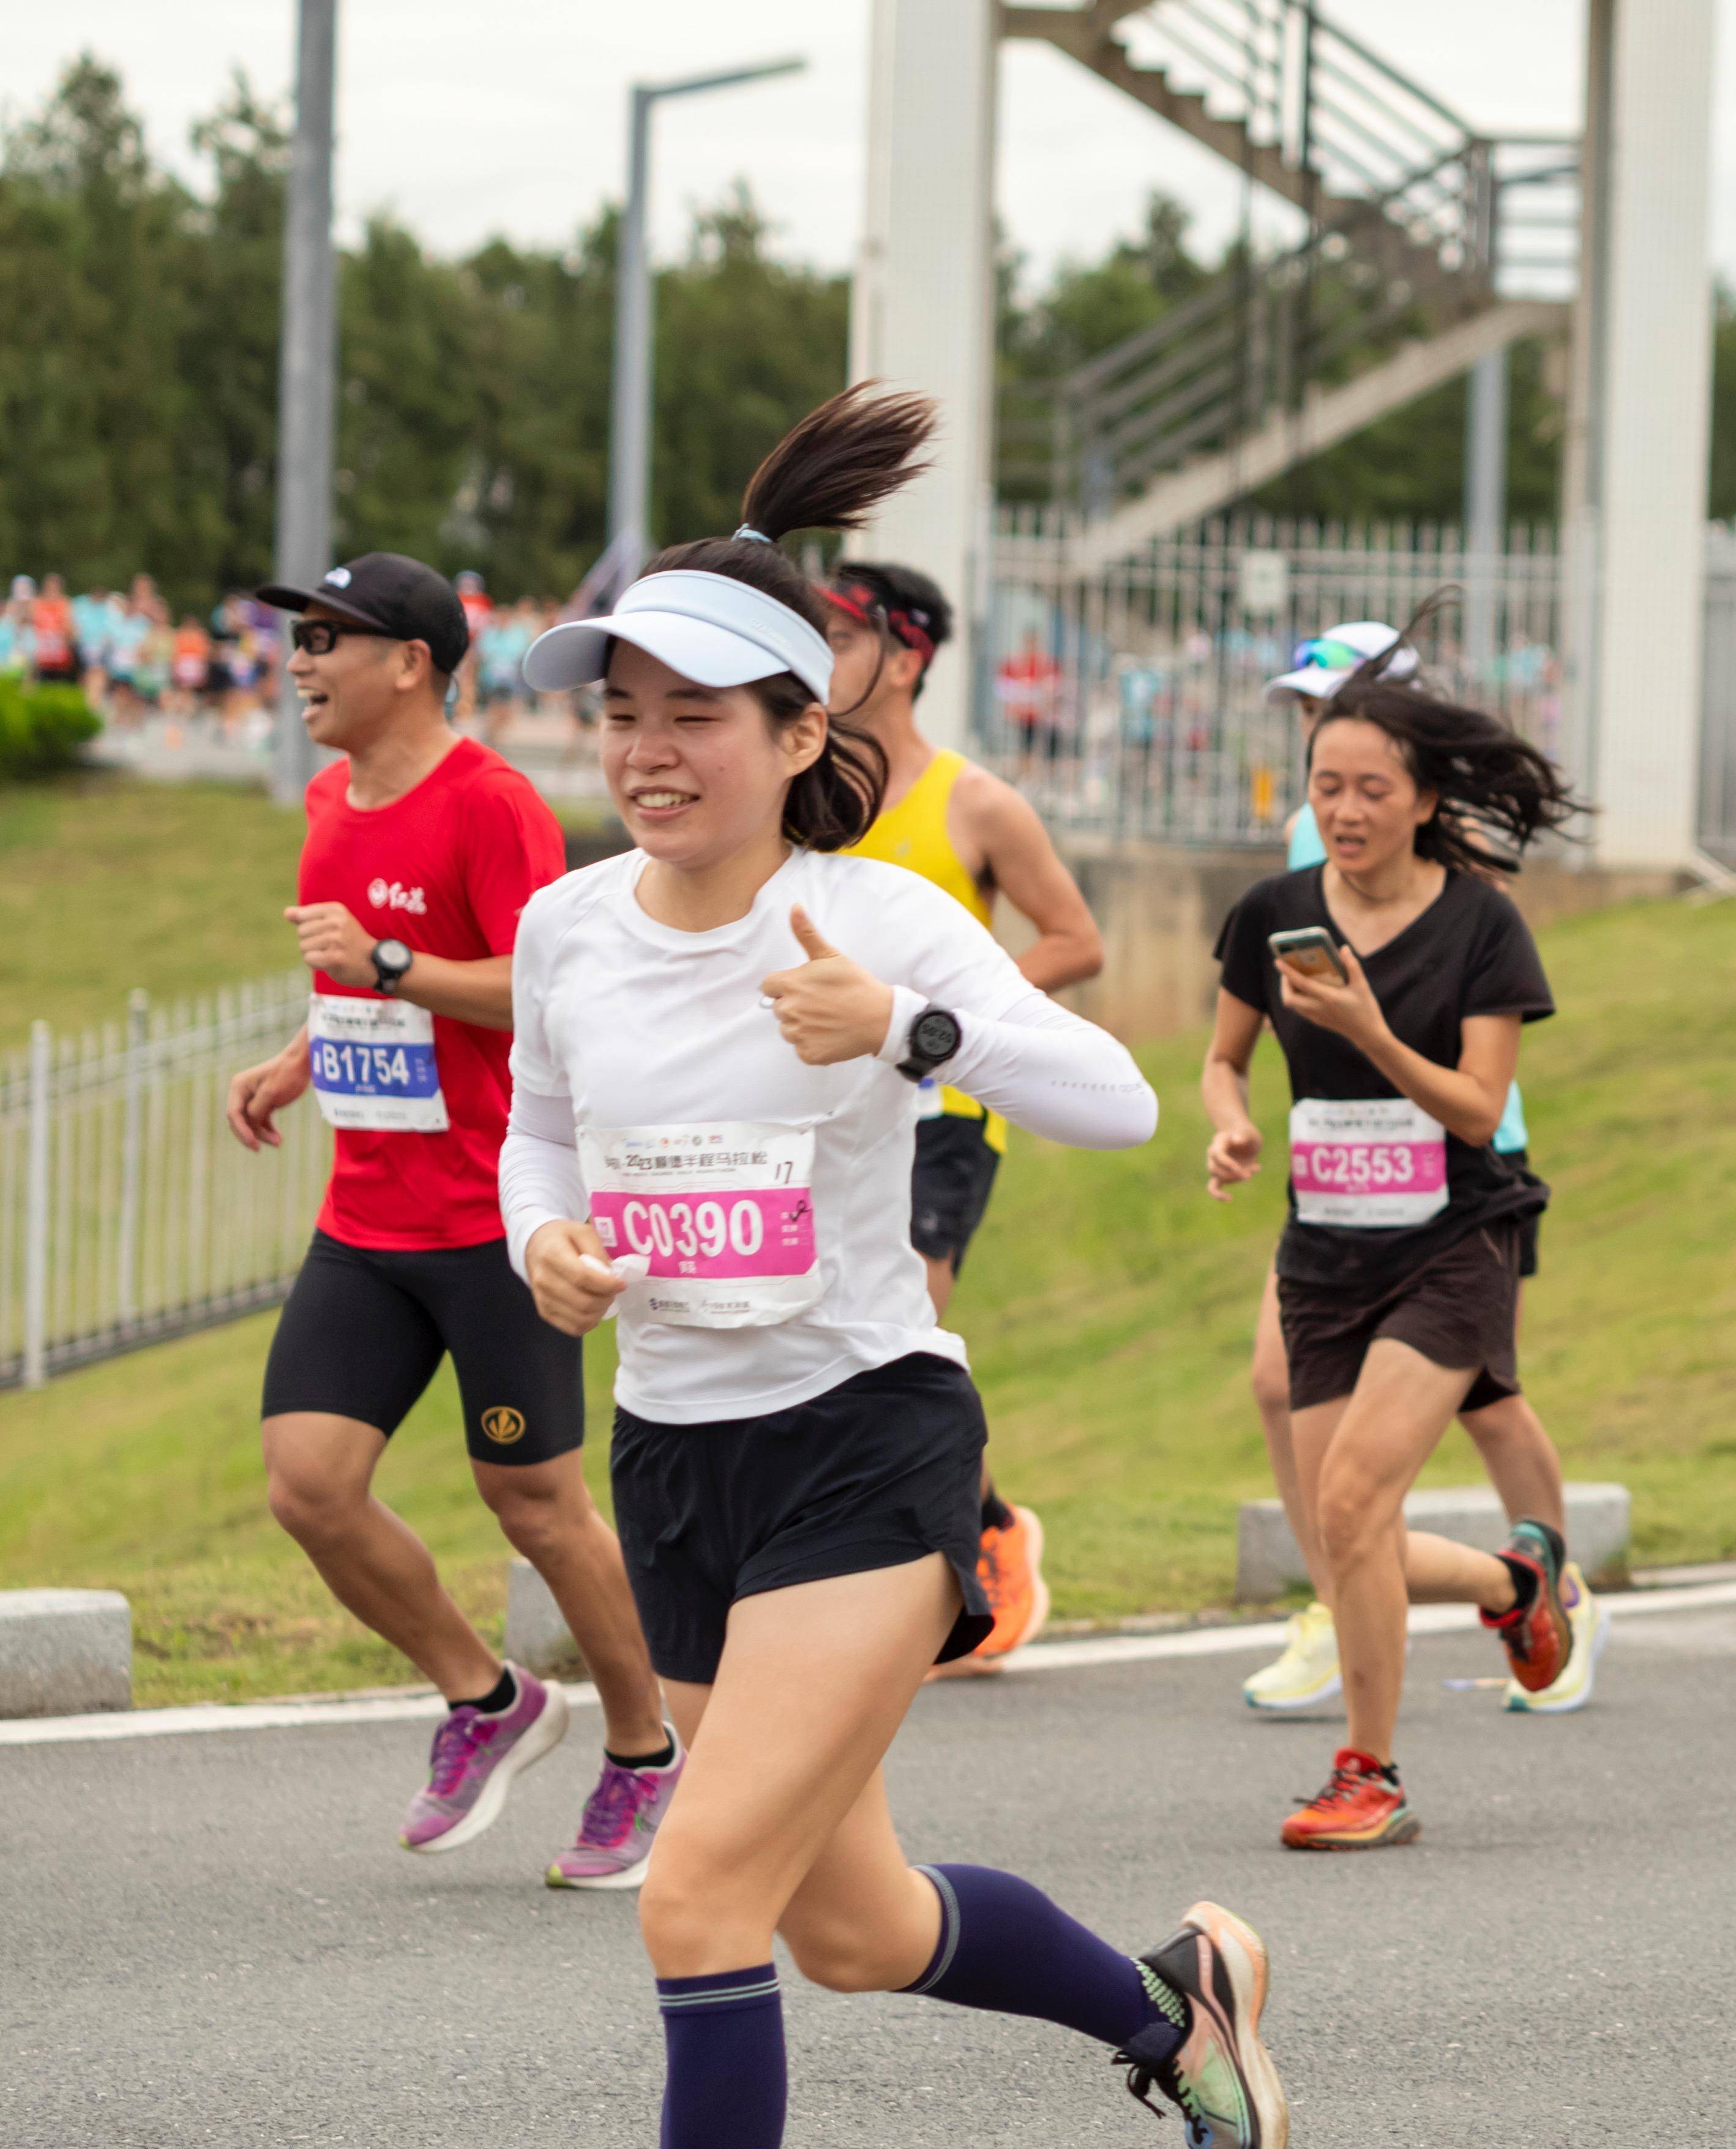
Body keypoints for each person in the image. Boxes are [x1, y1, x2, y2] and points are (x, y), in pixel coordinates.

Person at [504, 386, 1279, 2148]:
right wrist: (539, 1235)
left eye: (692, 714)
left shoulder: (879, 918)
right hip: (679, 1457)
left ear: (795, 732)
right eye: (620, 712)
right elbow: (536, 1134)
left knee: (694, 1899)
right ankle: (1177, 2006)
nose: (645, 749)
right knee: (848, 1926)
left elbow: (1115, 1098)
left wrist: (911, 1028)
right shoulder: (568, 925)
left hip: (865, 1437)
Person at [219, 552, 672, 1886]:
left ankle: (648, 1756)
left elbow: (546, 998)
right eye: (294, 639)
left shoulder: (493, 805)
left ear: (408, 661)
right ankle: (489, 1703)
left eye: (324, 640)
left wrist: (395, 964)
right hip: (368, 1213)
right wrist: (302, 1058)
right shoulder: (324, 795)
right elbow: (356, 984)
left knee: (533, 1501)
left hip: (496, 1214)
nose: (299, 662)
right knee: (309, 1485)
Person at [1202, 619, 1590, 1847]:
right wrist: (1230, 1125)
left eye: (1374, 789)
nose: (1348, 809)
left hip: (1451, 1241)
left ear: (1426, 800)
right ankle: (1514, 1582)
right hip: (1324, 1248)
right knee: (1338, 1530)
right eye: (1328, 787)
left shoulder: (1481, 927)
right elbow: (1223, 1058)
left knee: (1361, 1499)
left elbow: (1478, 1109)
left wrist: (1369, 1030)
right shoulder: (1270, 907)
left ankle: (1367, 1772)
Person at [815, 559, 1107, 1678]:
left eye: (841, 637)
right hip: (830, 1109)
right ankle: (961, 1525)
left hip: (944, 1105)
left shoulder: (976, 802)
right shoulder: (807, 793)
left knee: (911, 1320)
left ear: (908, 655)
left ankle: (977, 1547)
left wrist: (946, 1011)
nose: (823, 660)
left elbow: (1077, 939)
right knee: (844, 1338)